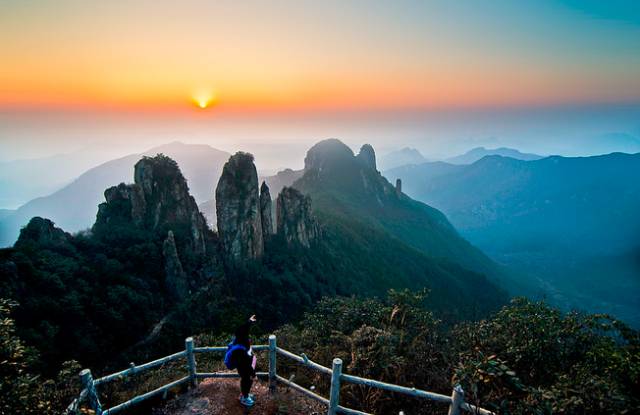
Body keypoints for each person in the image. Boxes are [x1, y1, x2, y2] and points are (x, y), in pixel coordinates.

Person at [233, 314, 257, 407]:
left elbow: (244, 328)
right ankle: (244, 397)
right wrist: (253, 374)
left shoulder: (241, 339)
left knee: (248, 380)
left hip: (247, 366)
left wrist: (249, 322)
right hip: (245, 369)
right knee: (246, 380)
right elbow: (246, 364)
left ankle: (245, 394)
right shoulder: (240, 350)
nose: (247, 335)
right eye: (246, 334)